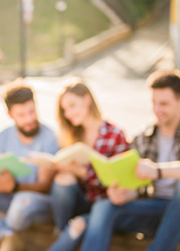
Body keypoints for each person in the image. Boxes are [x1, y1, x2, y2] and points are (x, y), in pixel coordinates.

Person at [72, 70, 180, 251]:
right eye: (154, 103)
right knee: (104, 207)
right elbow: (137, 186)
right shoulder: (143, 137)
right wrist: (124, 194)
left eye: (164, 104)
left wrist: (158, 171)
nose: (157, 110)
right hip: (157, 209)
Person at [0, 82, 59, 251]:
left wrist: (14, 186)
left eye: (32, 111)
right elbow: (6, 180)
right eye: (22, 115)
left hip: (38, 202)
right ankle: (4, 233)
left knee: (21, 201)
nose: (29, 119)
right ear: (10, 114)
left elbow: (45, 187)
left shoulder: (50, 137)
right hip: (10, 197)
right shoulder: (3, 137)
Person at [47, 79, 129, 251]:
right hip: (81, 201)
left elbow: (120, 182)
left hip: (107, 205)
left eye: (72, 106)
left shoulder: (115, 135)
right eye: (64, 109)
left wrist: (83, 172)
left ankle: (66, 232)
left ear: (87, 99)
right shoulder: (71, 136)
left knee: (77, 227)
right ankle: (62, 229)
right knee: (63, 178)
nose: (68, 113)